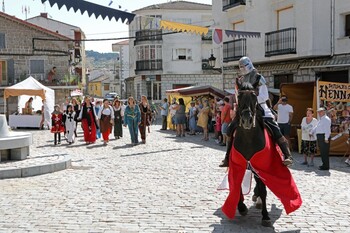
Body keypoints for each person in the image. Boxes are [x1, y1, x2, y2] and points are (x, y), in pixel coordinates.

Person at [219, 56, 293, 167]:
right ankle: (227, 158)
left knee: (274, 128)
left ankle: (287, 155)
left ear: (249, 65)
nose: (242, 68)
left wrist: (251, 101)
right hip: (244, 109)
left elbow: (264, 96)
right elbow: (237, 96)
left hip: (260, 107)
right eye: (240, 67)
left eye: (244, 66)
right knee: (230, 129)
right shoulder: (241, 80)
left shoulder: (259, 78)